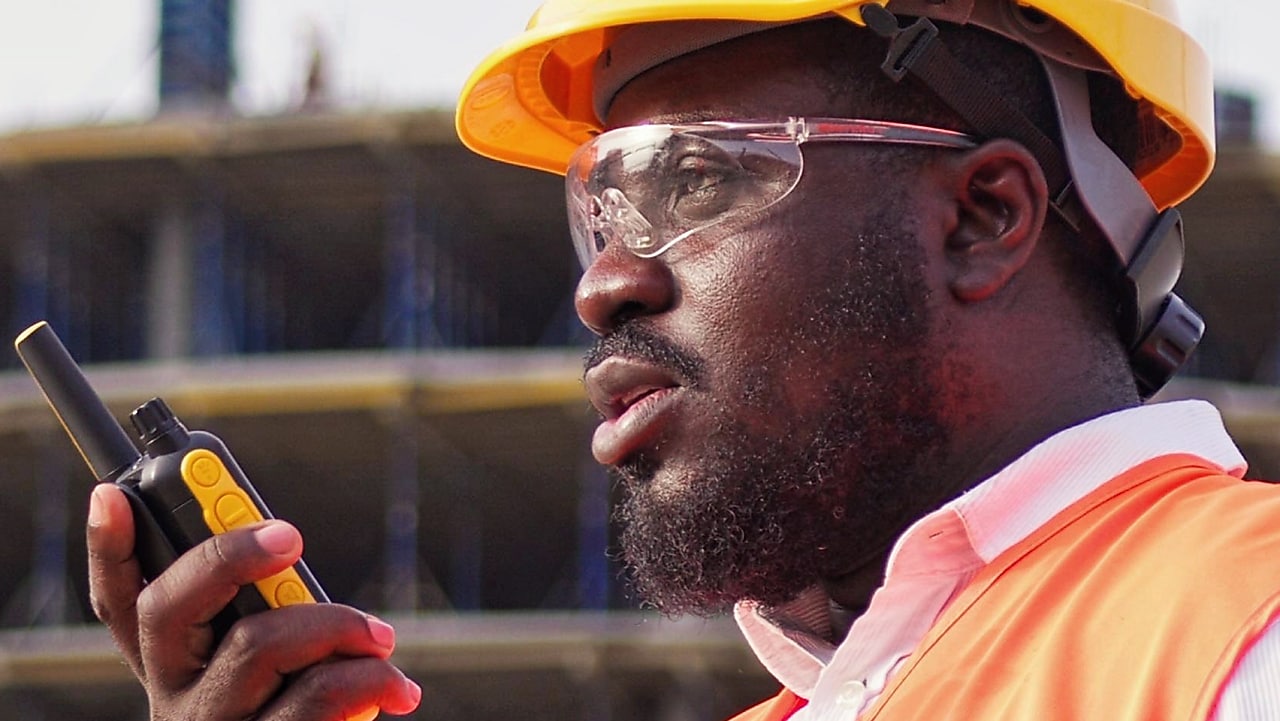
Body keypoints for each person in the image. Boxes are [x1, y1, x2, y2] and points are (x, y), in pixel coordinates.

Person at [85, 0, 1280, 719]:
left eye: (693, 177)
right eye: (597, 209)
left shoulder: (1241, 629)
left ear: (981, 217)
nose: (604, 281)